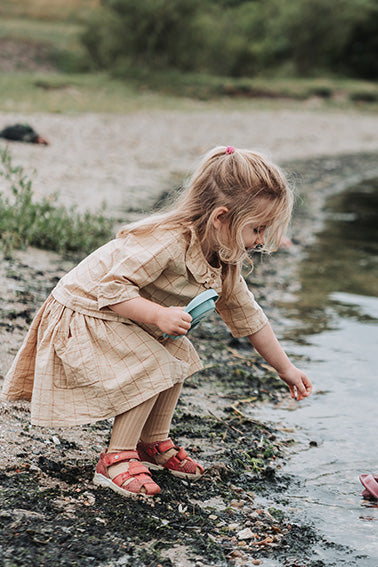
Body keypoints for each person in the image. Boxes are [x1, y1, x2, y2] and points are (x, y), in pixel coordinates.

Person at [1, 145, 312, 498]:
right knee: (152, 364)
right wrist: (159, 315)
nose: (259, 242)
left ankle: (152, 442)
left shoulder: (224, 259)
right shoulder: (167, 241)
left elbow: (249, 317)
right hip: (84, 312)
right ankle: (116, 458)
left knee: (178, 353)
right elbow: (112, 289)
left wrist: (285, 368)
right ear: (221, 218)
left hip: (119, 316)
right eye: (257, 230)